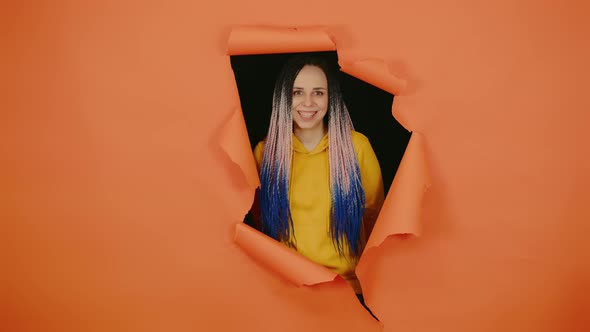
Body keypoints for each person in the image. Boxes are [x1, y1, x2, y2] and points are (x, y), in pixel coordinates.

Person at [250, 54, 384, 311]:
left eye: (318, 93)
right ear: (283, 98)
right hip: (288, 292)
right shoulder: (265, 153)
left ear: (330, 98)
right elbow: (259, 226)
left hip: (349, 291)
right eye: (297, 92)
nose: (308, 102)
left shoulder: (357, 148)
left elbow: (377, 221)